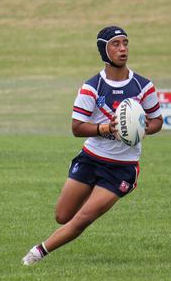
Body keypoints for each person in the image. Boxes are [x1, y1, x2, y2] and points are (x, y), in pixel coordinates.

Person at [22, 26, 163, 265]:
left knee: (84, 217)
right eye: (115, 44)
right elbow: (77, 127)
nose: (123, 49)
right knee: (63, 215)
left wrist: (141, 128)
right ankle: (68, 227)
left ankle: (37, 253)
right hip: (91, 158)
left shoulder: (143, 85)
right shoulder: (92, 87)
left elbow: (158, 120)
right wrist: (107, 128)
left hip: (122, 167)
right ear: (104, 50)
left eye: (125, 43)